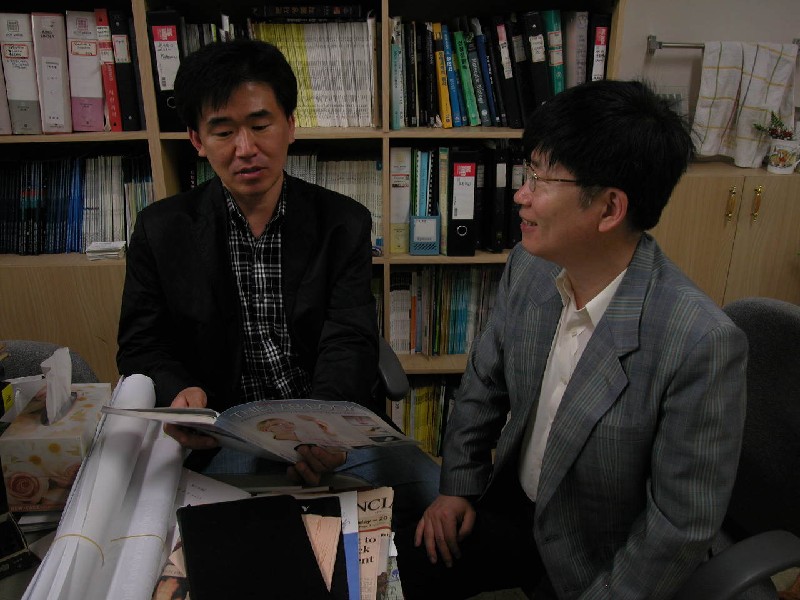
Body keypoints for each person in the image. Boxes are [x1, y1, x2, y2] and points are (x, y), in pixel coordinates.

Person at [396, 80, 748, 599]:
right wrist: (459, 487)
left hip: (601, 557)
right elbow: (483, 383)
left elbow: (677, 526)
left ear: (609, 209)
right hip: (514, 510)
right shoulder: (531, 267)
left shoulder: (700, 342)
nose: (521, 194)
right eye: (528, 172)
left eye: (542, 179)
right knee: (379, 567)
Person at [116, 39, 378, 486]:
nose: (246, 148)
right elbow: (141, 344)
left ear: (290, 125)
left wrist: (322, 426)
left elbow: (350, 338)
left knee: (424, 497)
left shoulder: (343, 222)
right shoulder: (161, 230)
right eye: (223, 132)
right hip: (222, 437)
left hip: (321, 426)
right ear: (197, 140)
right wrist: (178, 392)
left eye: (260, 125)